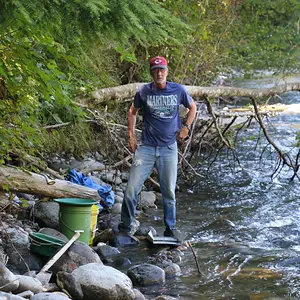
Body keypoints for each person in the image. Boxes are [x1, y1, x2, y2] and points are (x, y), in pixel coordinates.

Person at [118, 56, 197, 239]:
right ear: (152, 73)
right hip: (145, 148)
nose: (159, 73)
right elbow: (132, 111)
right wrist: (131, 135)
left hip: (168, 149)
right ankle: (125, 228)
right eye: (155, 70)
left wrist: (186, 127)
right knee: (131, 190)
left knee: (168, 191)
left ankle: (170, 228)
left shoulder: (178, 90)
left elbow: (192, 107)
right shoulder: (144, 91)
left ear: (167, 71)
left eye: (162, 70)